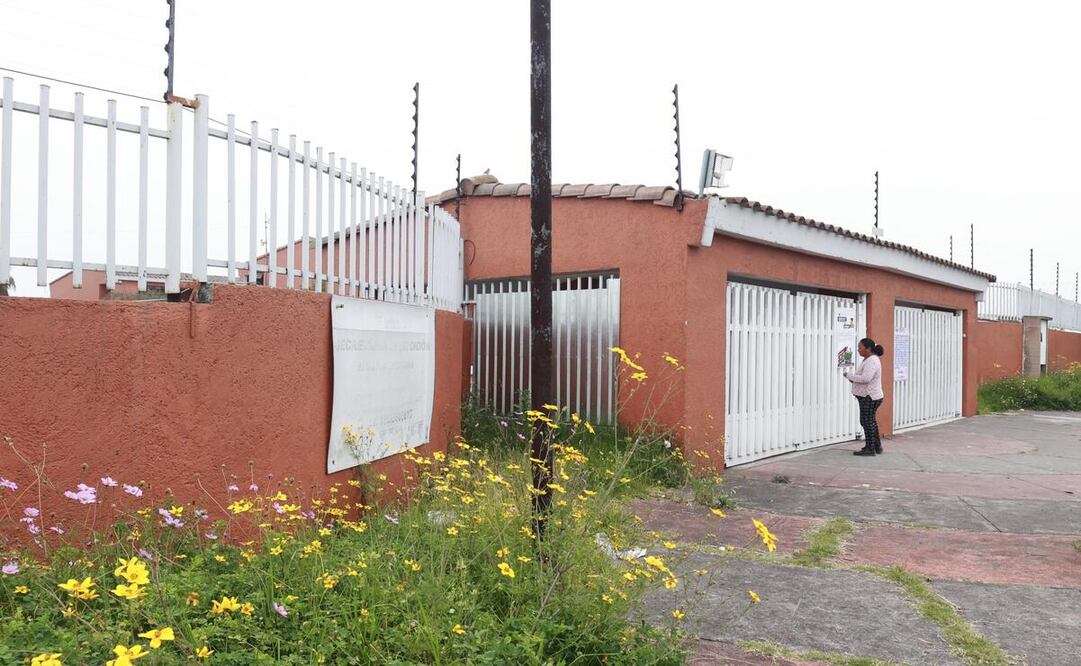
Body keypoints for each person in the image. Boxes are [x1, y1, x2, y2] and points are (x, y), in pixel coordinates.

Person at [843, 337, 885, 456]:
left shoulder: (872, 361)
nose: (858, 350)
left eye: (860, 348)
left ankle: (870, 448)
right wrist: (854, 379)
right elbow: (864, 377)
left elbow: (866, 378)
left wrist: (850, 376)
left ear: (868, 348)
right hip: (869, 396)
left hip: (869, 396)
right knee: (869, 421)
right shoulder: (869, 359)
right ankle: (876, 446)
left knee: (867, 422)